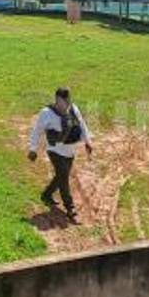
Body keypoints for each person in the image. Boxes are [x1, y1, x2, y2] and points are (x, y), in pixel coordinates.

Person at [28, 87, 93, 222]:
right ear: (58, 100)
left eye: (69, 99)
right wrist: (33, 149)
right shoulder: (46, 113)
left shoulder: (73, 109)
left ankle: (47, 194)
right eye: (65, 100)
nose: (68, 103)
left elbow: (82, 125)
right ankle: (70, 209)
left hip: (70, 151)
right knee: (64, 178)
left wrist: (88, 142)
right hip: (55, 151)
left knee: (61, 176)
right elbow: (37, 131)